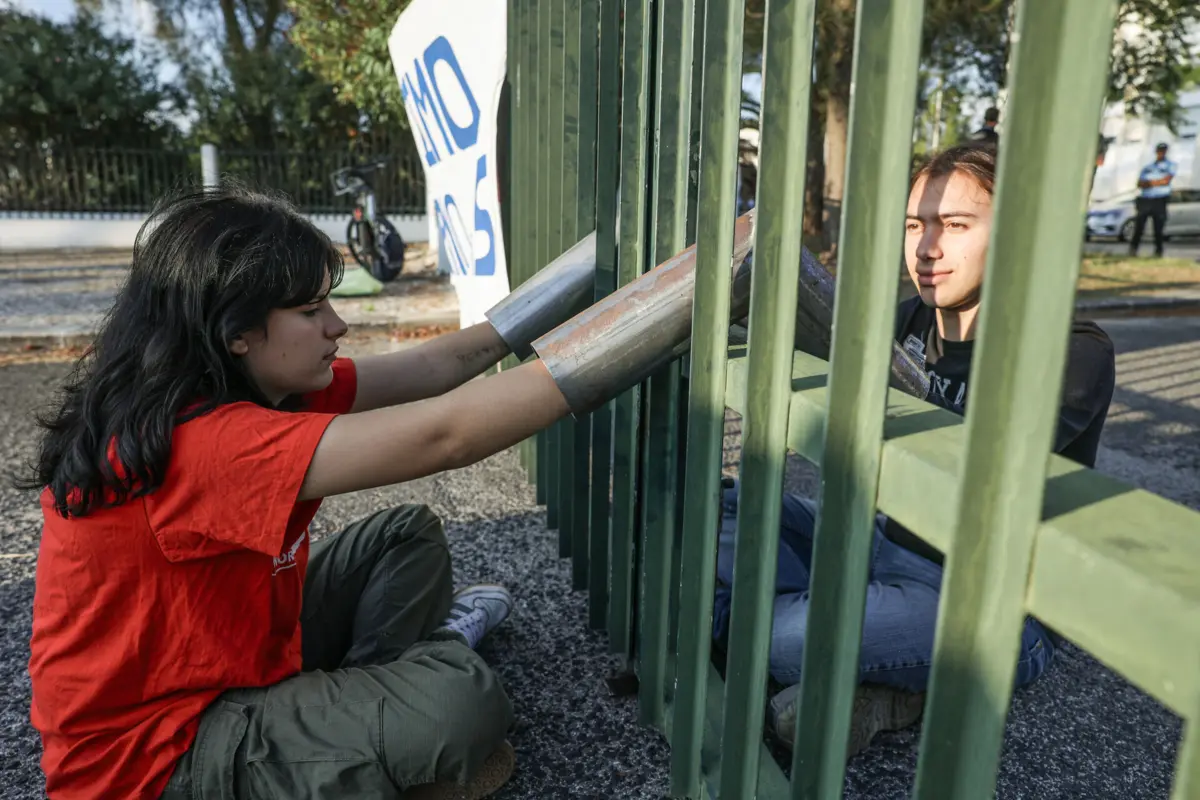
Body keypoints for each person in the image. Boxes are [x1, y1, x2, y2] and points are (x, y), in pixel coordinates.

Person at [21, 184, 598, 800]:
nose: (337, 325)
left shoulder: (244, 383)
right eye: (310, 311)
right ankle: (378, 717)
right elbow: (444, 435)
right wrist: (661, 310)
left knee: (405, 535)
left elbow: (434, 369)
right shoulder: (205, 439)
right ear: (236, 331)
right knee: (461, 702)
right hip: (155, 758)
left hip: (229, 660)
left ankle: (354, 725)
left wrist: (600, 256)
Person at [712, 143, 1116, 757]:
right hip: (878, 540)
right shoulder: (909, 321)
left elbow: (979, 472)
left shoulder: (1073, 348)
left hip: (985, 598)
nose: (927, 247)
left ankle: (844, 663)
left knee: (787, 640)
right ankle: (870, 671)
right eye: (915, 224)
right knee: (708, 511)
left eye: (955, 225)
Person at [1130, 142, 1176, 258]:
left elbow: (1166, 180)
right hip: (1146, 199)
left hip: (1160, 199)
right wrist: (1155, 183)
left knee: (1158, 228)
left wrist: (1150, 183)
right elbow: (1140, 183)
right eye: (1159, 151)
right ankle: (1133, 249)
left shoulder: (1170, 165)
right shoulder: (1148, 167)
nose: (1161, 153)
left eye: (1163, 151)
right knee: (1139, 226)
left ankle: (1158, 251)